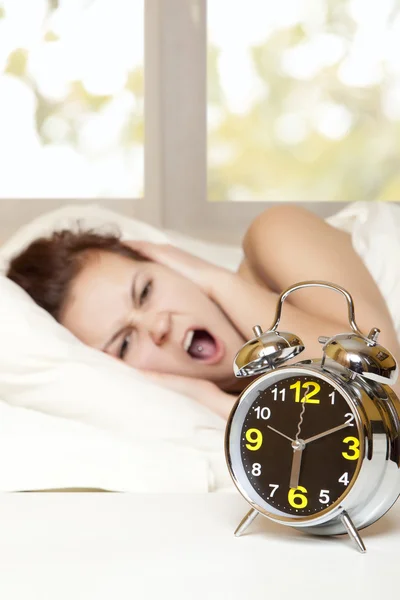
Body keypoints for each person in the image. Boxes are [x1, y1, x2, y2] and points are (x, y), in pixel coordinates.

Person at [6, 204, 400, 419]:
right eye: (124, 342)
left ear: (172, 264)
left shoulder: (274, 235)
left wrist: (217, 280)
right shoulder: (231, 408)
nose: (157, 325)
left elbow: (381, 380)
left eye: (145, 291)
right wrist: (216, 403)